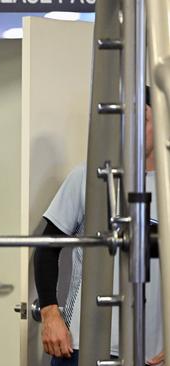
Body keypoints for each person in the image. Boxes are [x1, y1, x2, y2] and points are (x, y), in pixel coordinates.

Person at [34, 89, 163, 366]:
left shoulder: (166, 188)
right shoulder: (87, 175)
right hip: (82, 346)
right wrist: (50, 314)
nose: (133, 128)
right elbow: (46, 249)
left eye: (144, 119)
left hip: (150, 353)